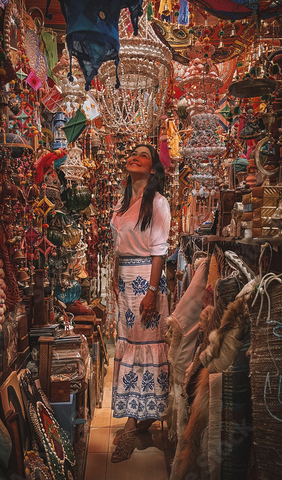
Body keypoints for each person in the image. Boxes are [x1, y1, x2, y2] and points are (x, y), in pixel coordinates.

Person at [110, 143, 171, 463]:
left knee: (145, 349)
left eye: (143, 155)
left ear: (152, 169)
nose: (134, 156)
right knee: (129, 347)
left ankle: (133, 425)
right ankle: (142, 416)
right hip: (125, 282)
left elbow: (160, 251)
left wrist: (151, 291)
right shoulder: (122, 204)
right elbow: (119, 247)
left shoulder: (158, 203)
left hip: (146, 280)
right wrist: (114, 279)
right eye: (131, 152)